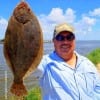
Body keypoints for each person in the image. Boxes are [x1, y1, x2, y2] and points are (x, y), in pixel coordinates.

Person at [33, 23, 100, 100]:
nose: (65, 42)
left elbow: (98, 87)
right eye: (60, 38)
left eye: (69, 37)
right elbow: (25, 66)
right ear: (54, 41)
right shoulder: (44, 63)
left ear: (74, 40)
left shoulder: (87, 63)